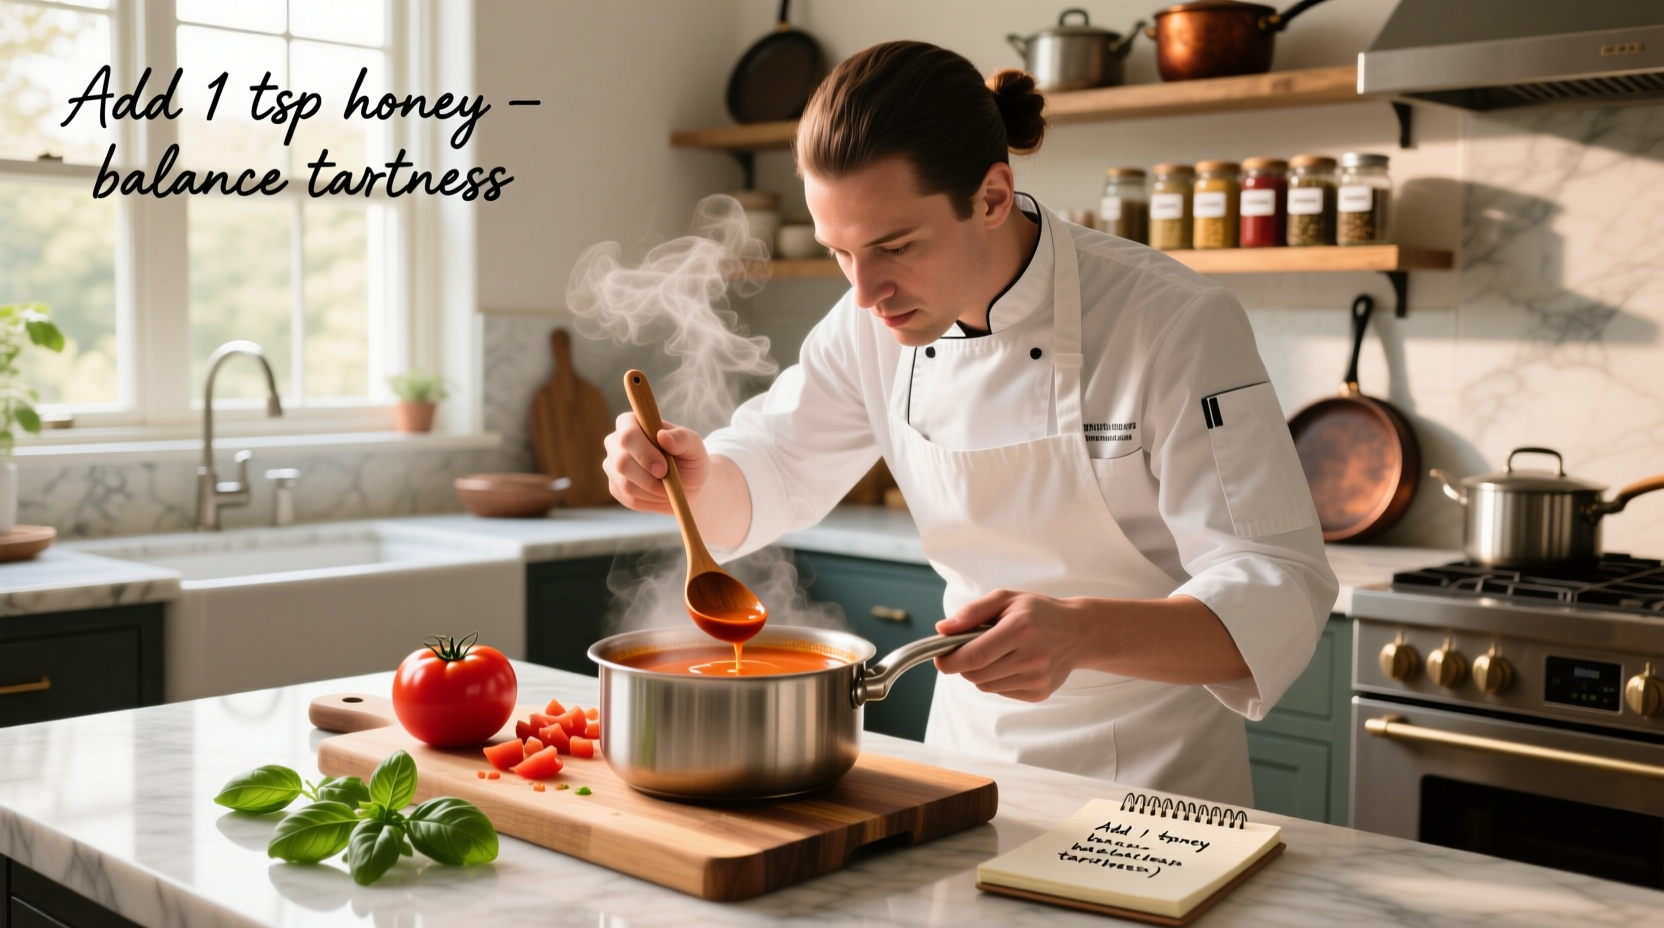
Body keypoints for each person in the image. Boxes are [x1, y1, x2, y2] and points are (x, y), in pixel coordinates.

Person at [602, 41, 1337, 805]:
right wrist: (692, 482)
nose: (865, 293)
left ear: (990, 198)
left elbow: (1279, 585)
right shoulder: (866, 327)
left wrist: (1084, 633)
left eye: (895, 247)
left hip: (1155, 782)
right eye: (840, 253)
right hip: (966, 767)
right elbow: (773, 470)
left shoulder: (1173, 322)